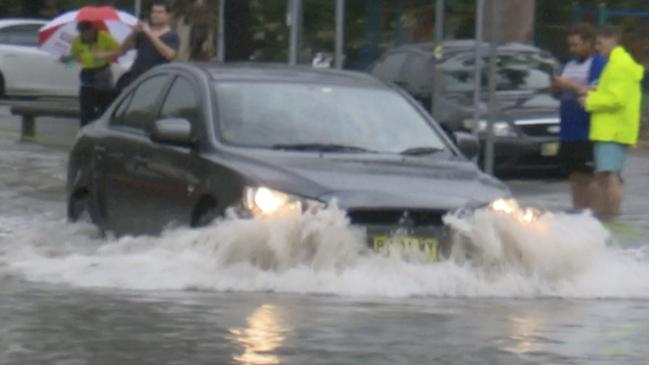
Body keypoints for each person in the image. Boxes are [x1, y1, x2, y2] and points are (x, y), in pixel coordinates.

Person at [579, 26, 644, 218]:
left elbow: (616, 99)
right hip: (612, 128)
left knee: (608, 175)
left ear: (611, 40)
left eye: (599, 43)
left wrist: (589, 101)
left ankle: (611, 215)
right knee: (605, 175)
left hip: (612, 130)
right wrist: (593, 94)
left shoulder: (619, 65)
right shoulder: (616, 63)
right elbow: (614, 94)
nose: (597, 48)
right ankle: (606, 214)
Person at [551, 23, 607, 211]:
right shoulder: (570, 64)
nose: (573, 49)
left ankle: (594, 215)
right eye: (571, 45)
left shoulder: (598, 64)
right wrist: (557, 88)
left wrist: (568, 85)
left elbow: (596, 92)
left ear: (589, 43)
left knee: (590, 176)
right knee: (575, 176)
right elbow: (562, 93)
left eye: (577, 44)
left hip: (587, 130)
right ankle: (578, 212)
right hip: (569, 129)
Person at [61, 21, 119, 127]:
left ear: (93, 30)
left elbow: (120, 50)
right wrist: (66, 60)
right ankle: (85, 128)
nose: (85, 35)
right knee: (86, 105)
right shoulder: (77, 41)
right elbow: (74, 58)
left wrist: (104, 54)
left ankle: (102, 127)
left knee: (105, 104)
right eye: (82, 32)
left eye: (87, 32)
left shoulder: (104, 37)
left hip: (102, 72)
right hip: (87, 73)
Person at [110, 1, 179, 90]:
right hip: (137, 78)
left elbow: (170, 55)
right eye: (153, 12)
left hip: (157, 80)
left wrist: (150, 33)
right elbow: (121, 51)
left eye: (160, 12)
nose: (155, 15)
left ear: (168, 15)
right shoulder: (143, 34)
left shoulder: (172, 36)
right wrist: (133, 32)